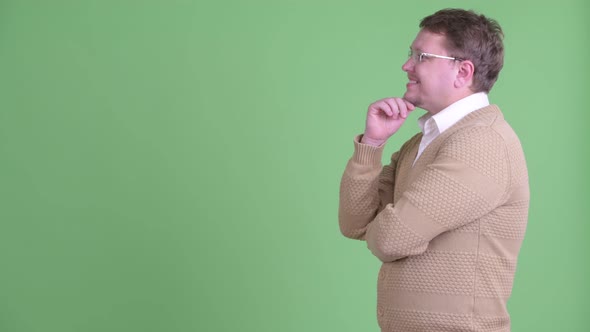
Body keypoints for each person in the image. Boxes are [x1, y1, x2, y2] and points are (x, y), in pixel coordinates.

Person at [338, 8, 529, 332]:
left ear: (463, 72)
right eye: (410, 54)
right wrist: (372, 144)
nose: (406, 65)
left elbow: (391, 239)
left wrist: (389, 225)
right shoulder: (420, 143)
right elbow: (354, 222)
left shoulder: (483, 142)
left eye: (421, 56)